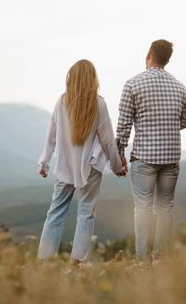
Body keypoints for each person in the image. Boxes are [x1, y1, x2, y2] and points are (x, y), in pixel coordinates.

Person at [37, 59, 125, 265]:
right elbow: (107, 140)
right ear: (93, 79)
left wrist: (44, 161)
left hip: (65, 165)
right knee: (86, 214)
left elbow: (51, 134)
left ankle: (45, 261)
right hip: (91, 166)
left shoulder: (62, 101)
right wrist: (117, 166)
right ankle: (76, 263)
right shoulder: (99, 103)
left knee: (56, 211)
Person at [116, 39, 186, 260]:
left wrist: (120, 153)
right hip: (171, 156)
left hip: (144, 158)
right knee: (166, 207)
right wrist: (166, 125)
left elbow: (123, 125)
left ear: (149, 54)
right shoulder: (179, 86)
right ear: (167, 59)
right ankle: (159, 259)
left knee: (143, 209)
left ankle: (141, 260)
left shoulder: (133, 84)